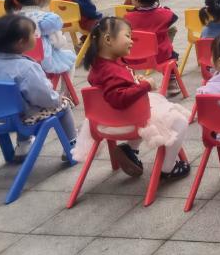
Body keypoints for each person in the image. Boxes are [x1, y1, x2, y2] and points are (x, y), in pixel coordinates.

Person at [74, 17, 191, 180]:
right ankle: (167, 168)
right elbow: (118, 97)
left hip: (105, 120)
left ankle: (131, 151)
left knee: (154, 106)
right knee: (180, 122)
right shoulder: (111, 71)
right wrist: (145, 86)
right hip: (127, 121)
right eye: (127, 36)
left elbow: (116, 88)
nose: (131, 41)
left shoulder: (101, 65)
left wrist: (135, 82)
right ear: (108, 39)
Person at [0, 15, 77, 160]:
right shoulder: (26, 68)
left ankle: (23, 145)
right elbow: (44, 97)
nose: (36, 37)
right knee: (63, 103)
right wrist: (57, 98)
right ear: (21, 42)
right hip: (23, 118)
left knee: (16, 104)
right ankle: (73, 144)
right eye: (33, 34)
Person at [8, 0, 77, 75]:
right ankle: (66, 90)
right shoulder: (49, 19)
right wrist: (63, 40)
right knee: (70, 57)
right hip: (43, 62)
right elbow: (58, 43)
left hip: (18, 61)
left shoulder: (13, 17)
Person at [125, 0, 181, 96]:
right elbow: (173, 18)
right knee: (173, 56)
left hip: (133, 58)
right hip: (160, 57)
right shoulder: (166, 14)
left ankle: (128, 80)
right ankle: (171, 81)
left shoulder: (128, 17)